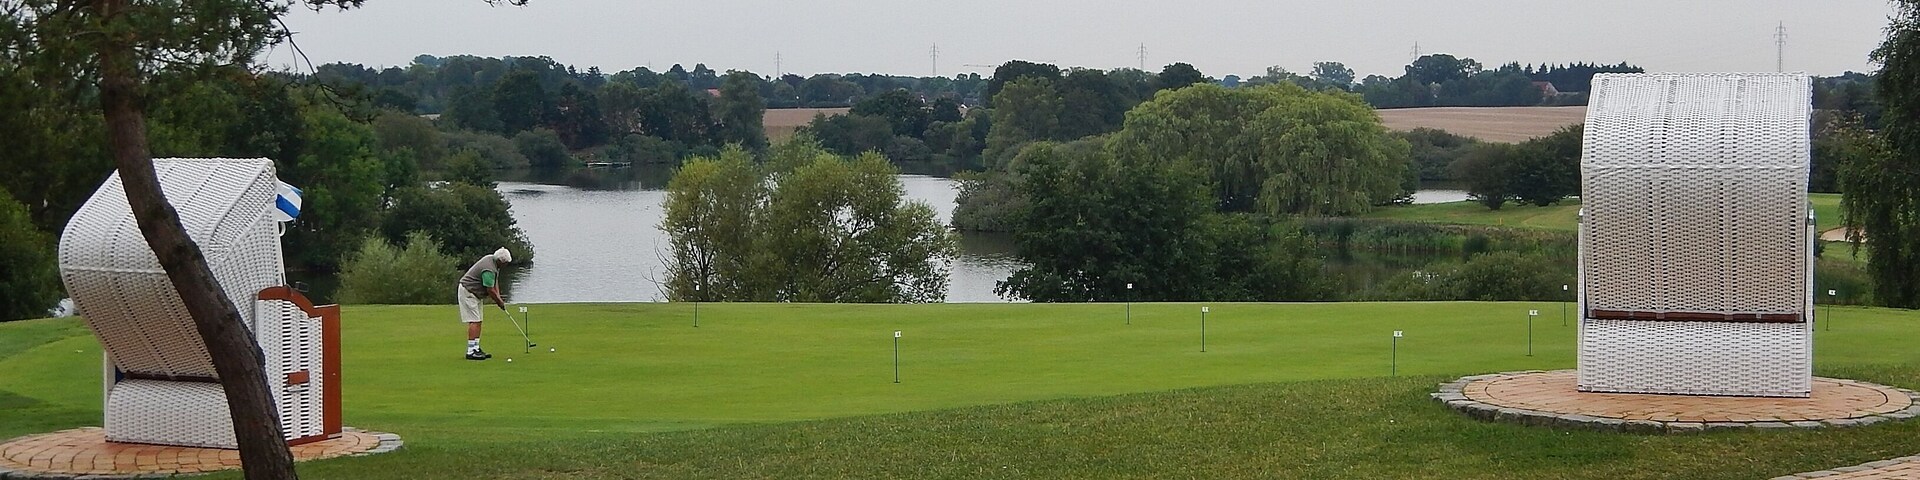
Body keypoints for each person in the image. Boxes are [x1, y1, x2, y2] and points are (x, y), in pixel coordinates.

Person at [458, 248, 513, 360]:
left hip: (475, 294)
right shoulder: (489, 268)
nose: (506, 265)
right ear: (500, 261)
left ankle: (476, 348)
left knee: (478, 320)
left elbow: (494, 282)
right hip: (468, 292)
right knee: (474, 320)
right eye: (505, 263)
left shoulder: (492, 261)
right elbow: (490, 290)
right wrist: (498, 301)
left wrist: (499, 298)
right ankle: (470, 351)